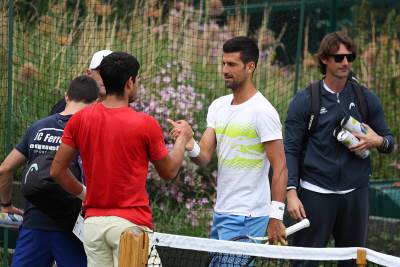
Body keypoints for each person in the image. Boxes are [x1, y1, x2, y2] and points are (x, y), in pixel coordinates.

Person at [50, 51, 193, 267]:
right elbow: (170, 171)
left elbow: (56, 171)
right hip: (131, 227)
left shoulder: (80, 120)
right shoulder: (145, 124)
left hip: (93, 227)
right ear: (130, 82)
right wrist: (183, 138)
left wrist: (85, 194)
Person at [285, 32, 395, 263]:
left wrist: (377, 141)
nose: (345, 62)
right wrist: (291, 192)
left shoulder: (366, 98)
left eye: (349, 57)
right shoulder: (305, 100)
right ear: (325, 59)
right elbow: (291, 150)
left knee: (354, 261)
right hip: (315, 193)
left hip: (355, 193)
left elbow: (389, 142)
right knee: (304, 262)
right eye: (339, 57)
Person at [170, 36, 288, 244]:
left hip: (248, 217)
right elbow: (204, 155)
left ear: (250, 67)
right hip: (221, 213)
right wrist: (189, 144)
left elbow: (280, 168)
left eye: (232, 64)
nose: (225, 70)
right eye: (223, 63)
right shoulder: (218, 106)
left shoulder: (263, 111)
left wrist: (276, 216)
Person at [0, 75, 99, 267]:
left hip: (33, 224)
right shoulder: (91, 131)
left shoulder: (37, 127)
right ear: (95, 103)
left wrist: (6, 204)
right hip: (73, 227)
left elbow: (4, 169)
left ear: (66, 96)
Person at [49, 49, 113, 115]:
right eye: (101, 72)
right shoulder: (68, 105)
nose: (106, 77)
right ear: (89, 74)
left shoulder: (122, 106)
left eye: (111, 72)